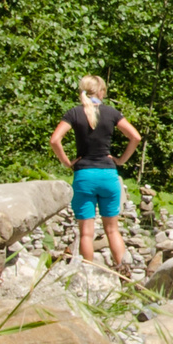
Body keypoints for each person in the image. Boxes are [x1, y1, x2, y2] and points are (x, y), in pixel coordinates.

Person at [49, 75, 141, 268]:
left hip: (84, 176)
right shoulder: (111, 113)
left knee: (86, 234)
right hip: (108, 175)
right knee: (113, 230)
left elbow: (54, 140)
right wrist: (121, 160)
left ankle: (87, 274)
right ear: (101, 91)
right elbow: (135, 137)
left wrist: (67, 163)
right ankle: (124, 273)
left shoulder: (74, 113)